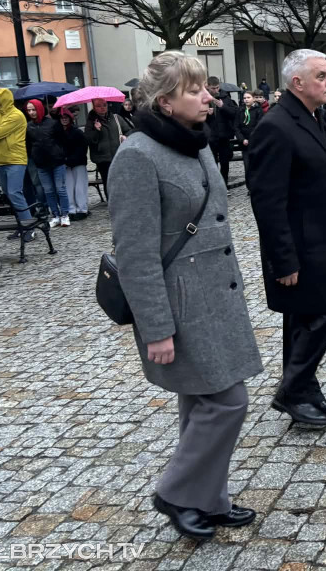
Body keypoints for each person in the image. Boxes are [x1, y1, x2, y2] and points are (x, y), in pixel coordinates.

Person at [109, 50, 261, 541]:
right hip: (181, 305)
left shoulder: (194, 143)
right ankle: (176, 492)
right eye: (194, 90)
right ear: (164, 100)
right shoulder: (136, 155)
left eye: (205, 88)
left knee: (200, 404)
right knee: (227, 401)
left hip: (216, 297)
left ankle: (208, 500)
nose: (208, 98)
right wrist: (156, 328)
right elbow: (134, 254)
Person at [247, 49, 326, 428]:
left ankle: (306, 390)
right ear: (298, 83)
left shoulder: (313, 116)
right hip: (299, 248)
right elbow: (267, 201)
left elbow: (322, 178)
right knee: (325, 314)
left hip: (322, 241)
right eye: (323, 76)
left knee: (307, 319)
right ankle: (292, 390)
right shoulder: (276, 126)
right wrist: (283, 260)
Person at [0, 89, 34, 239]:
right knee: (9, 195)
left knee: (15, 193)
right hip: (0, 160)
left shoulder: (16, 115)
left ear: (3, 99)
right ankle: (21, 226)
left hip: (15, 159)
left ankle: (28, 227)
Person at [25, 99, 71, 226]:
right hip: (41, 163)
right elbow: (28, 145)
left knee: (60, 189)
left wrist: (61, 155)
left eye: (33, 109)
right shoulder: (29, 126)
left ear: (39, 109)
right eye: (29, 110)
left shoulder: (53, 124)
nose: (31, 112)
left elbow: (63, 140)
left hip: (56, 161)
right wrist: (34, 156)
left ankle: (65, 214)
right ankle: (55, 214)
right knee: (48, 190)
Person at [85, 97, 133, 196]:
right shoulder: (91, 122)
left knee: (122, 181)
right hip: (103, 158)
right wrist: (96, 130)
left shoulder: (116, 118)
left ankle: (124, 202)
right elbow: (89, 140)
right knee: (108, 183)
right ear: (93, 107)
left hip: (118, 155)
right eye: (99, 106)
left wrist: (125, 136)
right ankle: (112, 205)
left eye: (104, 105)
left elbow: (129, 130)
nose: (102, 108)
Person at [205, 77, 238, 186]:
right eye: (213, 88)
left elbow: (233, 113)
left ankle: (224, 184)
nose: (215, 90)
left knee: (225, 162)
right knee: (212, 163)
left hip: (224, 135)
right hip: (210, 136)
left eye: (217, 88)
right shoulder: (203, 98)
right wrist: (206, 114)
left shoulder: (225, 97)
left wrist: (222, 106)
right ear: (207, 86)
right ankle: (214, 185)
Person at [59, 109, 90, 219]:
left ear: (70, 119)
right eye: (62, 117)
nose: (64, 119)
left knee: (80, 187)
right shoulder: (58, 133)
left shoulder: (77, 132)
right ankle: (71, 209)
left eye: (66, 117)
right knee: (68, 187)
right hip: (65, 164)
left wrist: (70, 159)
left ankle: (82, 209)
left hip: (78, 162)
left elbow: (82, 148)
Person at [235, 91, 262, 177]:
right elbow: (236, 127)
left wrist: (251, 139)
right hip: (244, 144)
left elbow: (259, 127)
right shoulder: (240, 110)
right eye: (244, 98)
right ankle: (249, 188)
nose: (246, 100)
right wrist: (242, 139)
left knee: (257, 167)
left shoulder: (258, 110)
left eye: (248, 97)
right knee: (247, 167)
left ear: (254, 99)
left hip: (255, 143)